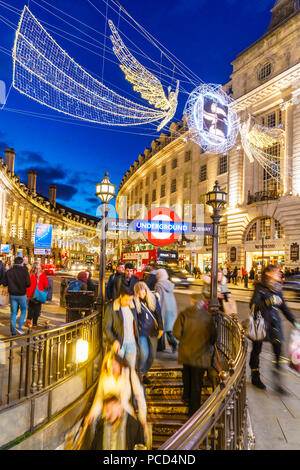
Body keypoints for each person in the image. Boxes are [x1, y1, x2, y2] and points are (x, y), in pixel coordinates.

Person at [249, 265, 300, 393]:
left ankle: (278, 383)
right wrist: (268, 301)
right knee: (257, 349)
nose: (279, 273)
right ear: (268, 273)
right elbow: (253, 305)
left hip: (274, 324)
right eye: (276, 271)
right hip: (260, 323)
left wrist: (294, 321)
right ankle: (255, 376)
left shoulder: (278, 288)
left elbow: (284, 307)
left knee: (278, 350)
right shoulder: (259, 287)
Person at [173, 294, 217, 416]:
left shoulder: (184, 314)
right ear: (202, 303)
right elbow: (213, 336)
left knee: (187, 376)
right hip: (201, 355)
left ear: (192, 302)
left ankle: (186, 396)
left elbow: (176, 333)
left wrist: (185, 340)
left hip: (186, 353)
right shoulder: (208, 317)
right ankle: (193, 411)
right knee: (197, 383)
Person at [85, 352, 147, 430]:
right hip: (108, 416)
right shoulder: (104, 376)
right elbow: (99, 398)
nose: (112, 368)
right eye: (110, 365)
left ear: (120, 363)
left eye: (114, 365)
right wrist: (92, 414)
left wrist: (142, 417)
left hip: (126, 415)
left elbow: (139, 395)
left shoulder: (129, 373)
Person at [134, 281, 164, 384]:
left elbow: (158, 314)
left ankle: (144, 371)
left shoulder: (153, 299)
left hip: (152, 332)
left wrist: (161, 328)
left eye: (144, 291)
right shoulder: (135, 302)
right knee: (144, 354)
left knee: (151, 356)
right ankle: (141, 374)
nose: (143, 294)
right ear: (137, 293)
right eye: (140, 292)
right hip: (142, 332)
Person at [104, 285, 139, 369]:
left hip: (131, 343)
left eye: (130, 299)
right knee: (117, 370)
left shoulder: (132, 307)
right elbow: (107, 327)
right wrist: (114, 340)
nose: (128, 302)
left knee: (130, 369)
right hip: (119, 343)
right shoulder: (112, 308)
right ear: (121, 296)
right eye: (126, 299)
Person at [2, 256, 31, 336]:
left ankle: (13, 331)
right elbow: (28, 284)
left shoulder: (9, 272)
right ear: (22, 263)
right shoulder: (25, 271)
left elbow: (4, 283)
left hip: (12, 295)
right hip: (22, 295)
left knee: (13, 313)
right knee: (24, 310)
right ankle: (20, 327)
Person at [155, 268, 178, 353]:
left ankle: (160, 347)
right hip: (171, 308)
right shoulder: (169, 284)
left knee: (161, 327)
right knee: (170, 329)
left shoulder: (159, 285)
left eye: (157, 274)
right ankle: (174, 344)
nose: (156, 276)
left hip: (163, 308)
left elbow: (158, 297)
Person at [25, 262, 48, 329]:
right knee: (37, 309)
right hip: (39, 295)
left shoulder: (29, 274)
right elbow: (46, 284)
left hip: (30, 294)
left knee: (30, 308)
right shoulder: (42, 274)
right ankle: (34, 323)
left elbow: (26, 284)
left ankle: (28, 321)